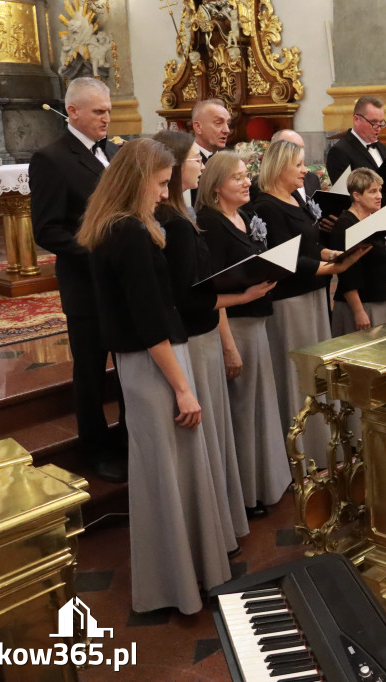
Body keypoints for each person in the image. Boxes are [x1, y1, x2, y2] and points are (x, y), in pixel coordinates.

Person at [78, 138, 234, 614]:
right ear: (136, 180)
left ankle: (186, 576)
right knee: (166, 474)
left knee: (169, 471)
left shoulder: (111, 226)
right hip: (155, 365)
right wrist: (183, 388)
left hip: (148, 363)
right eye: (161, 184)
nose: (163, 194)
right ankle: (176, 586)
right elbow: (150, 320)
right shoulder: (127, 232)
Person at [154, 129, 276, 533]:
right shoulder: (184, 222)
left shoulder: (185, 217)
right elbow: (190, 294)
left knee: (228, 422)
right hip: (202, 332)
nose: (201, 165)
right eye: (195, 159)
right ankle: (220, 517)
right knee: (219, 426)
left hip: (215, 324)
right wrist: (240, 302)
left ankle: (231, 509)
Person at [29, 76, 128, 483]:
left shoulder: (114, 153)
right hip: (87, 285)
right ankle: (96, 449)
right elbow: (48, 229)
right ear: (73, 112)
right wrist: (97, 255)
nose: (107, 118)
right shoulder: (52, 158)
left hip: (123, 282)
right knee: (90, 371)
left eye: (108, 110)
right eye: (99, 112)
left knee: (127, 366)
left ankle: (128, 438)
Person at [252, 139, 369, 467]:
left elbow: (308, 244)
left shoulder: (293, 199)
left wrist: (330, 254)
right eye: (299, 165)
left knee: (318, 372)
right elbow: (282, 258)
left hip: (314, 295)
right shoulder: (265, 206)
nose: (306, 170)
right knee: (298, 375)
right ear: (279, 168)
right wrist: (330, 268)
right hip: (291, 301)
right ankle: (301, 452)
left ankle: (322, 443)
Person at [197, 151, 294, 517]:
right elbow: (211, 289)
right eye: (237, 177)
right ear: (217, 185)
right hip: (234, 325)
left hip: (256, 319)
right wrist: (228, 346)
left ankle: (265, 484)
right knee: (242, 411)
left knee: (258, 407)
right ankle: (245, 493)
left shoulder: (246, 216)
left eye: (246, 175)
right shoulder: (210, 222)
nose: (246, 182)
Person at [327, 168, 386, 336]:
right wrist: (359, 311)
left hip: (379, 300)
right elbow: (346, 273)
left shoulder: (373, 220)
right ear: (356, 195)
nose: (379, 196)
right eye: (373, 191)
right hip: (359, 305)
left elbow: (385, 264)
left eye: (380, 191)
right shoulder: (345, 224)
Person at [325, 96, 386, 183]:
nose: (378, 128)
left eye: (381, 123)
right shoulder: (339, 151)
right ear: (356, 119)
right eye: (373, 122)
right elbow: (344, 192)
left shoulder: (381, 147)